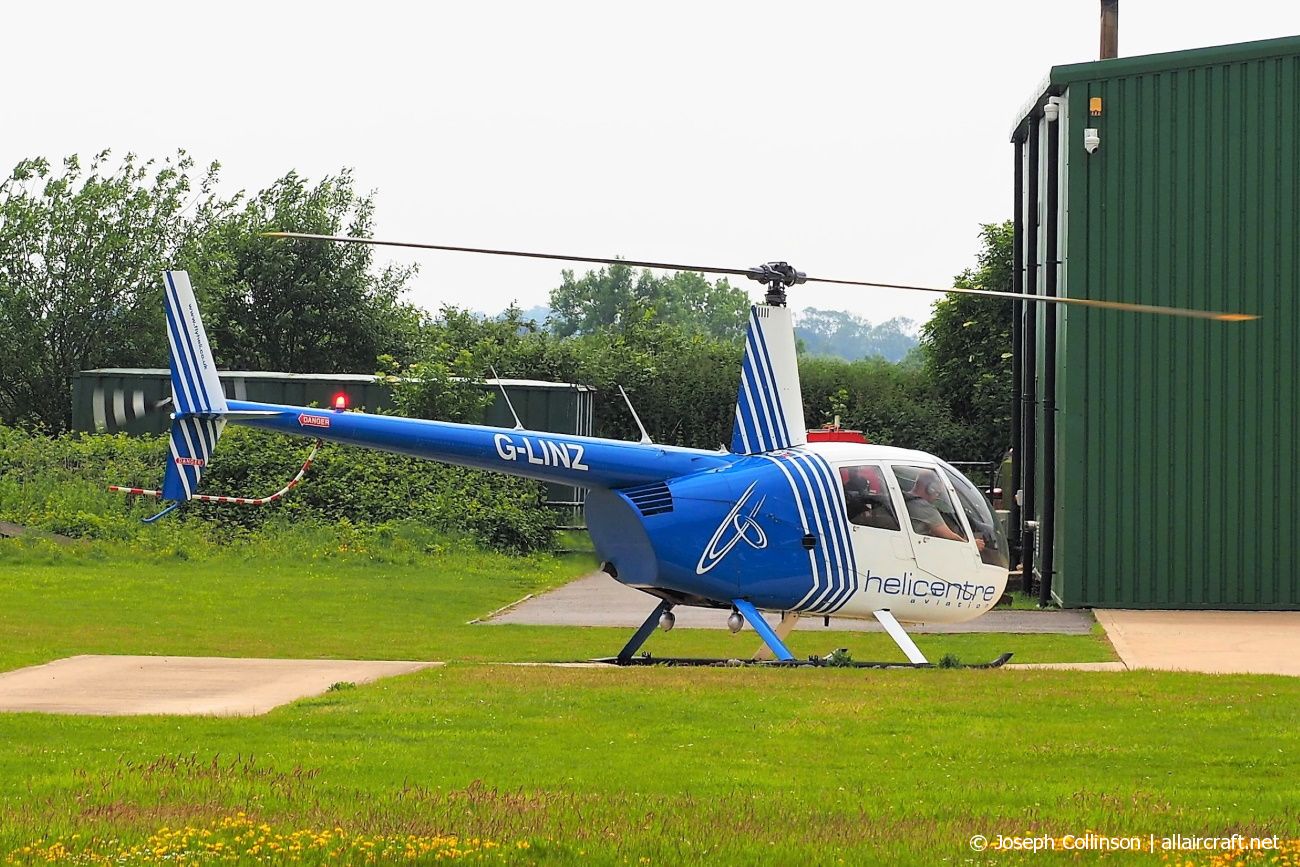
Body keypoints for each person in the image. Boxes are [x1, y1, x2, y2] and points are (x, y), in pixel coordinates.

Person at [905, 469, 984, 551]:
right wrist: (971, 545)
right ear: (931, 488)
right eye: (938, 493)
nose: (936, 497)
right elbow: (949, 536)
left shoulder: (906, 499)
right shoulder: (923, 507)